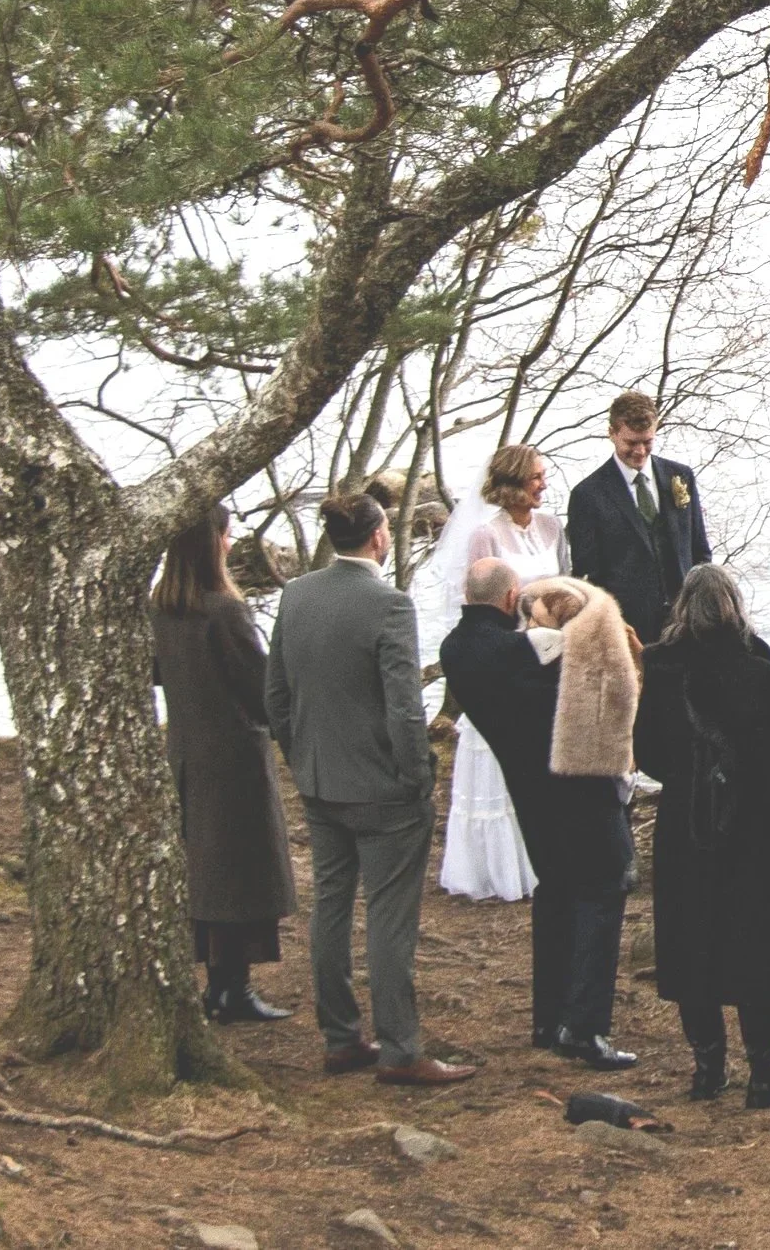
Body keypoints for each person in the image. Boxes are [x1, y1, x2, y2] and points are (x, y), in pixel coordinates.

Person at [264, 492, 478, 1085]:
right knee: (389, 915)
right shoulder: (389, 605)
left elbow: (276, 694)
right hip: (383, 789)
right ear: (379, 537)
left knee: (330, 907)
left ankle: (340, 1037)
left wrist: (301, 756)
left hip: (319, 779)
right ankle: (401, 1048)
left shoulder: (296, 594)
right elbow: (404, 708)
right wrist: (417, 775)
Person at [441, 561, 642, 1070]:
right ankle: (584, 1027)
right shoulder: (530, 656)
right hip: (579, 786)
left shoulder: (457, 650)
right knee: (604, 889)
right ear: (511, 598)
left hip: (527, 792)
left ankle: (548, 1017)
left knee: (554, 893)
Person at [633, 565, 770, 1109]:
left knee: (693, 942)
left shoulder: (659, 667)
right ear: (735, 606)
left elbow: (648, 754)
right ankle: (763, 1071)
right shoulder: (757, 669)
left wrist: (690, 779)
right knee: (754, 944)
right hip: (750, 827)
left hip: (686, 824)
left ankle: (707, 1068)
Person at [151, 505, 299, 1025]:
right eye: (227, 536)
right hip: (234, 761)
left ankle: (219, 986)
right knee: (239, 875)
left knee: (207, 875)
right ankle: (232, 989)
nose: (232, 545)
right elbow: (260, 692)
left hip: (187, 755)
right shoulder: (225, 612)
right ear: (211, 544)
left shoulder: (163, 610)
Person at [419, 445, 562, 903]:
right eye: (537, 477)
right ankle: (498, 869)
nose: (544, 484)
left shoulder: (552, 526)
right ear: (514, 483)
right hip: (506, 659)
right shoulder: (485, 535)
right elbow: (479, 606)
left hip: (549, 655)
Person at [567, 390, 712, 641]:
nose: (640, 451)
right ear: (612, 433)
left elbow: (700, 551)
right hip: (629, 630)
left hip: (687, 624)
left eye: (647, 441)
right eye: (631, 443)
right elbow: (588, 575)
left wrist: (701, 609)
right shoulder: (587, 495)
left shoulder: (681, 476)